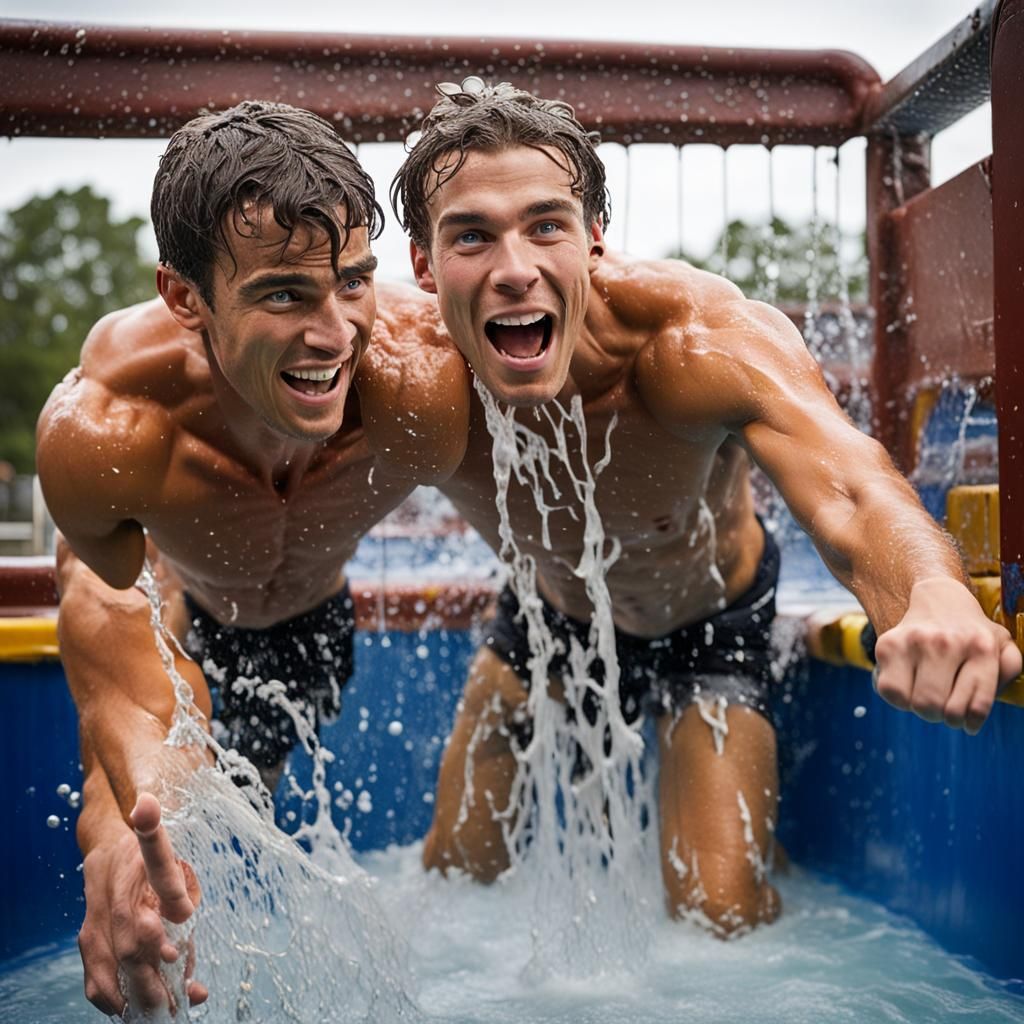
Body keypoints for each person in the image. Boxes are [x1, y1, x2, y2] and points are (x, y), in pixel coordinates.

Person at [389, 78, 1023, 935]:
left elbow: (852, 486)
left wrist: (932, 594)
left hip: (710, 619)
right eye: (471, 236)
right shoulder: (403, 379)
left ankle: (757, 833)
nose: (515, 270)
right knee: (452, 877)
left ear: (594, 240)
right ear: (424, 265)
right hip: (554, 614)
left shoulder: (691, 342)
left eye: (547, 225)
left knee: (719, 919)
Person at [36, 100, 470, 1017]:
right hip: (175, 609)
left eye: (353, 282)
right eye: (284, 294)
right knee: (151, 809)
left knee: (245, 840)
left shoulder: (418, 388)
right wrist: (123, 821)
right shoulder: (108, 429)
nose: (336, 333)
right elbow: (111, 622)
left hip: (308, 623)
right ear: (185, 297)